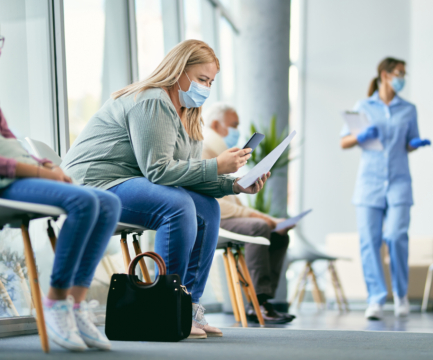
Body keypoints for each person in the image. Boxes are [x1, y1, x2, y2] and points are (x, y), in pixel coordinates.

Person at [61, 40, 269, 339]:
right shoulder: (152, 100)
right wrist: (218, 166)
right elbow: (158, 170)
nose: (206, 87)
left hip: (132, 180)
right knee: (177, 204)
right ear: (178, 71)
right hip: (97, 182)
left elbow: (185, 174)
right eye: (201, 79)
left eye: (210, 82)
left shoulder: (188, 113)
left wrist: (234, 184)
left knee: (207, 206)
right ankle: (166, 305)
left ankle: (189, 306)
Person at [0, 32, 121, 352]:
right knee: (82, 201)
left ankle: (76, 304)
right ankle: (55, 300)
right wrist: (40, 171)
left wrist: (49, 167)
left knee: (109, 202)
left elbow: (10, 139)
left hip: (21, 173)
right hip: (6, 182)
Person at [340, 57, 430, 320]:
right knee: (370, 241)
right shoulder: (364, 106)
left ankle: (401, 295)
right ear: (384, 74)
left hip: (400, 182)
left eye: (404, 74)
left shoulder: (408, 109)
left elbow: (409, 143)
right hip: (369, 183)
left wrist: (415, 142)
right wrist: (360, 136)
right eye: (398, 73)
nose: (402, 78)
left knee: (397, 236)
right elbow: (344, 141)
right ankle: (376, 299)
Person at [202, 103, 295, 324]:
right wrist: (266, 219)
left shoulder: (222, 155)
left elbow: (231, 201)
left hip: (226, 219)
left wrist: (272, 221)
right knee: (260, 228)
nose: (237, 132)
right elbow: (220, 206)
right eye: (234, 125)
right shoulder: (206, 151)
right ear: (216, 125)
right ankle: (257, 302)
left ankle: (262, 301)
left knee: (280, 233)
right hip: (213, 220)